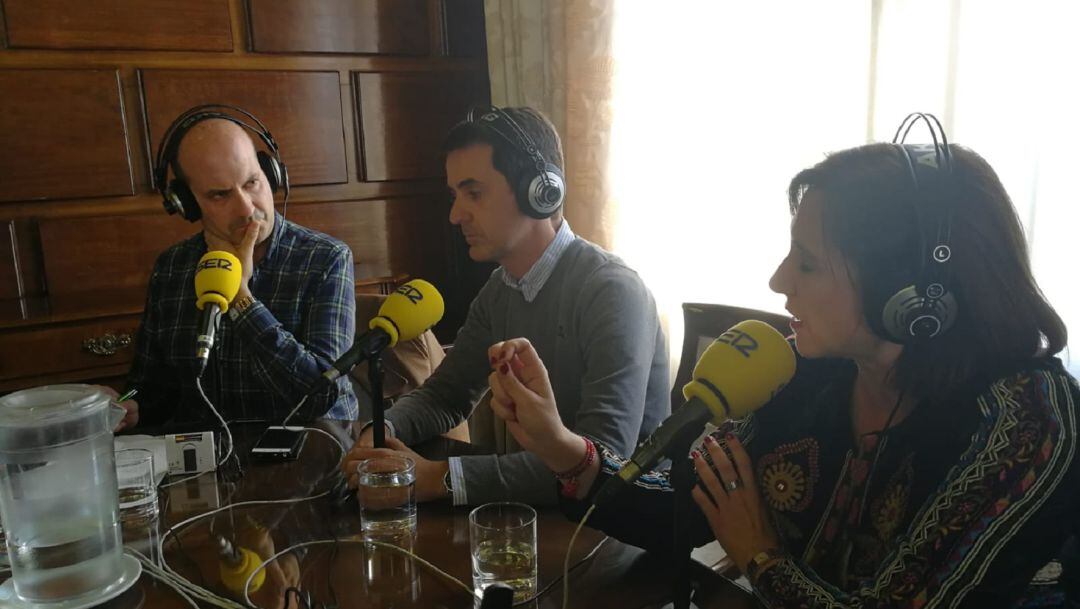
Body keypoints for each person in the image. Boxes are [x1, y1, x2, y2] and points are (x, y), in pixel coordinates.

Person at [486, 134, 1080, 607]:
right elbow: (690, 503)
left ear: (908, 293)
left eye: (809, 264)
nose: (778, 282)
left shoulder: (1026, 423)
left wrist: (761, 557)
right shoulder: (799, 372)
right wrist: (559, 445)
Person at [341, 106, 670, 506]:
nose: (455, 214)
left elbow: (603, 459)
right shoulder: (501, 290)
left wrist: (437, 479)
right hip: (541, 513)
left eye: (473, 193)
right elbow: (446, 395)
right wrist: (378, 432)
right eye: (455, 196)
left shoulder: (613, 291)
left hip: (618, 527)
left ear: (539, 191)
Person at [121, 107, 358, 428]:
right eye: (220, 195)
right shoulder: (172, 268)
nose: (247, 208)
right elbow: (149, 386)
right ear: (186, 204)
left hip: (310, 457)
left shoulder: (325, 258)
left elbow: (319, 394)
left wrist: (241, 298)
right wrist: (127, 404)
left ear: (271, 175)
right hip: (210, 466)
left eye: (252, 183)